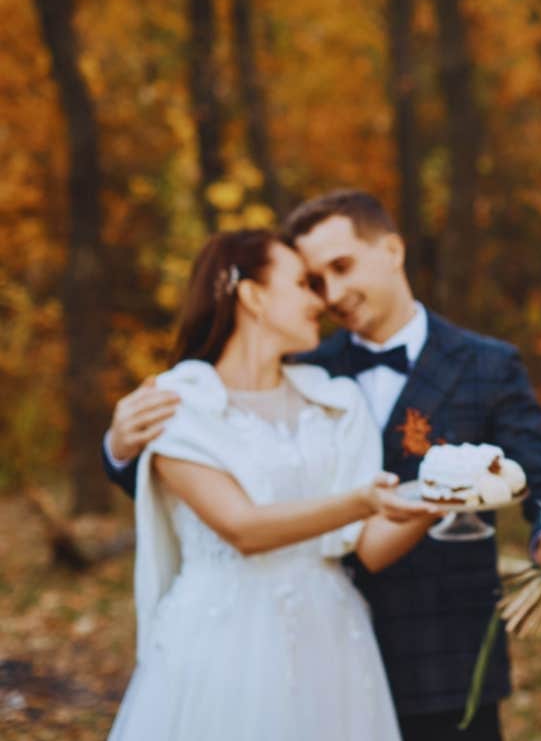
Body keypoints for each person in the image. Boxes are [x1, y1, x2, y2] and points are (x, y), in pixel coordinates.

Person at [103, 190, 541, 741]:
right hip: (294, 643)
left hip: (440, 647)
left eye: (342, 267)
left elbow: (540, 469)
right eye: (313, 280)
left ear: (393, 251)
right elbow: (197, 487)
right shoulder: (305, 367)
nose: (330, 295)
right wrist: (118, 448)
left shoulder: (485, 364)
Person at [108, 229, 447, 740]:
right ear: (253, 296)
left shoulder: (335, 401)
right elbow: (241, 528)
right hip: (223, 641)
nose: (322, 299)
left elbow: (369, 548)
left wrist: (434, 502)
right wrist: (359, 502)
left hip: (330, 638)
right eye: (305, 283)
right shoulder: (180, 405)